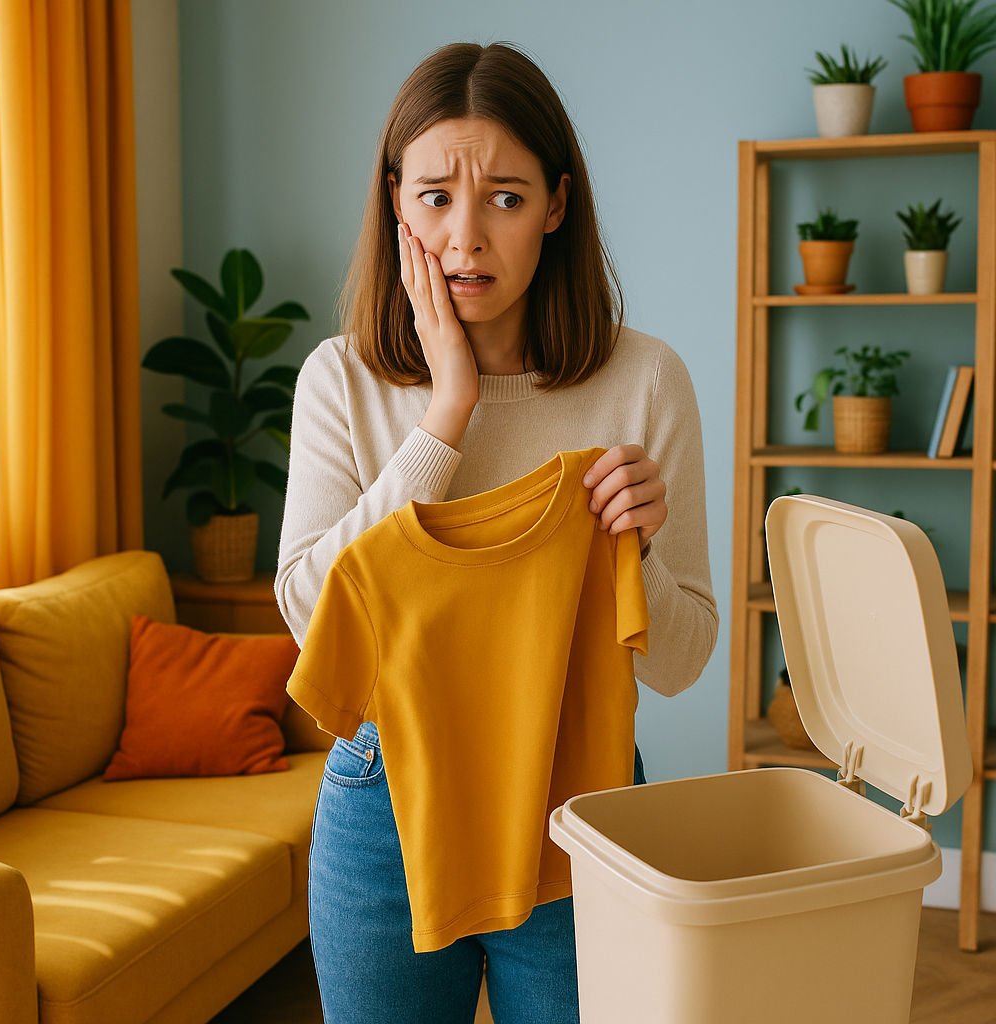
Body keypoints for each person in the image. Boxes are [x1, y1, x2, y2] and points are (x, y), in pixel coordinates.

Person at [275, 40, 717, 1024]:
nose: (465, 236)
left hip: (583, 796)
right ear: (395, 202)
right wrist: (445, 418)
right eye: (434, 197)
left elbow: (682, 660)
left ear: (557, 205)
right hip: (383, 799)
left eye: (506, 198)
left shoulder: (644, 381)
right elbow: (311, 612)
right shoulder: (338, 382)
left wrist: (636, 548)